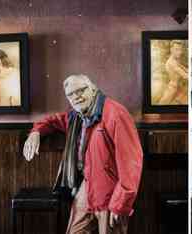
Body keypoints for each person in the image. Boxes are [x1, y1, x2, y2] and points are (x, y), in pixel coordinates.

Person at [23, 74, 143, 234]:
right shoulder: (76, 116)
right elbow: (52, 121)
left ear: (93, 90)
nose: (76, 97)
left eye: (80, 91)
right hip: (87, 185)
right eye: (71, 94)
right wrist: (36, 132)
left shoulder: (115, 113)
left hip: (111, 191)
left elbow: (131, 163)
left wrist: (121, 203)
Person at [158, 40, 188, 105]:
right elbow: (185, 76)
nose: (179, 52)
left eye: (180, 50)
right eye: (177, 50)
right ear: (171, 50)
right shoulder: (172, 63)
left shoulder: (176, 60)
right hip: (172, 89)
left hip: (177, 88)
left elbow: (183, 68)